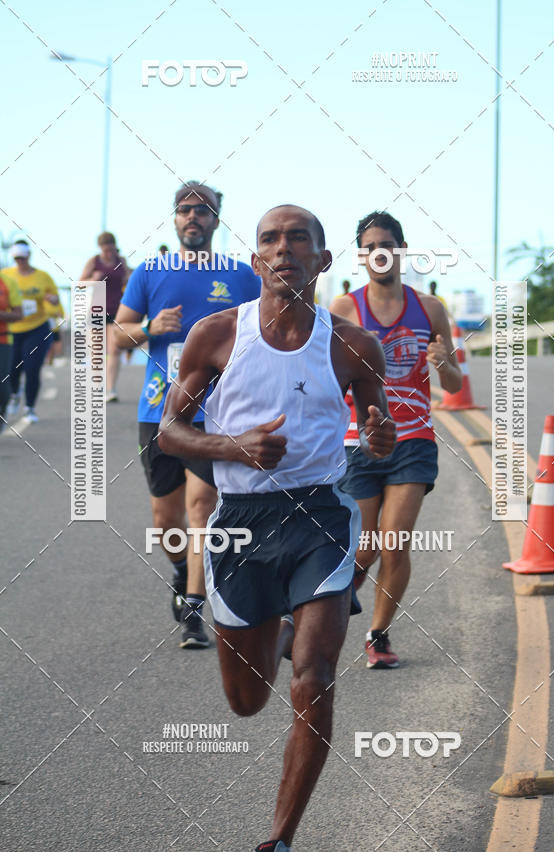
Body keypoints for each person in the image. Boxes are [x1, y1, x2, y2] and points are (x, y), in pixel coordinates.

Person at [158, 204, 396, 850]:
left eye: (299, 239)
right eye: (269, 239)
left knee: (314, 677)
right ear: (256, 258)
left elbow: (381, 430)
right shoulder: (216, 334)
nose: (283, 248)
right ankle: (288, 622)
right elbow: (170, 431)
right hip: (240, 525)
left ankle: (280, 839)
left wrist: (378, 435)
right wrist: (233, 448)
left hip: (320, 515)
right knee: (247, 700)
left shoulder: (352, 345)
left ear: (321, 260)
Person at [114, 182, 261, 648]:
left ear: (217, 220)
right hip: (158, 410)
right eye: (184, 210)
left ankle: (196, 608)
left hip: (215, 413)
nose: (193, 217)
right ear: (174, 219)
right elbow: (117, 335)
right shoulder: (150, 272)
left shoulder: (240, 276)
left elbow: (270, 328)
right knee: (166, 520)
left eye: (203, 210)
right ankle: (181, 572)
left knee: (203, 509)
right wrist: (148, 328)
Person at [331, 211, 462, 669]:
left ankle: (378, 635)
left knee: (395, 541)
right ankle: (331, 606)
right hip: (360, 440)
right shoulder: (344, 309)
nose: (378, 253)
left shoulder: (429, 309)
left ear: (401, 250)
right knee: (364, 546)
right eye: (369, 247)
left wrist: (444, 362)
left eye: (387, 244)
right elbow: (326, 379)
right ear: (361, 256)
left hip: (413, 439)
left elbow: (455, 385)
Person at [1, 242, 60, 423]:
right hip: (12, 330)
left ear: (28, 256)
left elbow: (56, 300)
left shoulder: (42, 277)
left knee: (32, 367)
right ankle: (14, 396)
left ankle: (29, 408)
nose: (20, 262)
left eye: (23, 258)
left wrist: (52, 299)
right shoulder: (6, 276)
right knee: (12, 370)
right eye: (16, 258)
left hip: (36, 328)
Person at [80, 232, 130, 402]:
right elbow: (80, 283)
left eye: (111, 249)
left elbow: (128, 280)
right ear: (100, 248)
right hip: (97, 310)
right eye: (105, 249)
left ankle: (111, 389)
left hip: (117, 310)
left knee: (115, 349)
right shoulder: (94, 262)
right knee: (96, 352)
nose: (109, 253)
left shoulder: (121, 261)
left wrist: (129, 278)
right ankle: (97, 387)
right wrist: (93, 280)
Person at [0, 267, 23, 431]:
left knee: (2, 386)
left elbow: (18, 314)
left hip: (3, 339)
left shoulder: (7, 282)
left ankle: (2, 411)